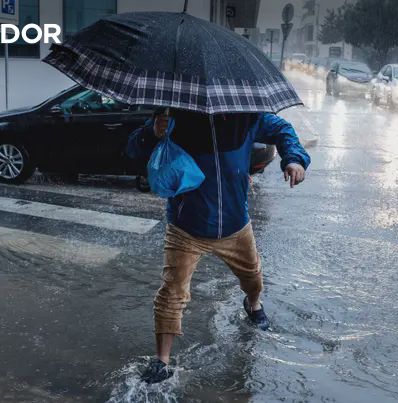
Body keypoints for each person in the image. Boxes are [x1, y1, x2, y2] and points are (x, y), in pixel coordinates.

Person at [126, 109, 310, 384]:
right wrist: (152, 132)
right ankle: (161, 360)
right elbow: (132, 150)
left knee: (253, 278)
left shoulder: (246, 117)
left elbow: (282, 129)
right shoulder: (174, 114)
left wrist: (294, 159)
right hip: (186, 226)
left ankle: (253, 304)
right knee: (171, 293)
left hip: (235, 225)